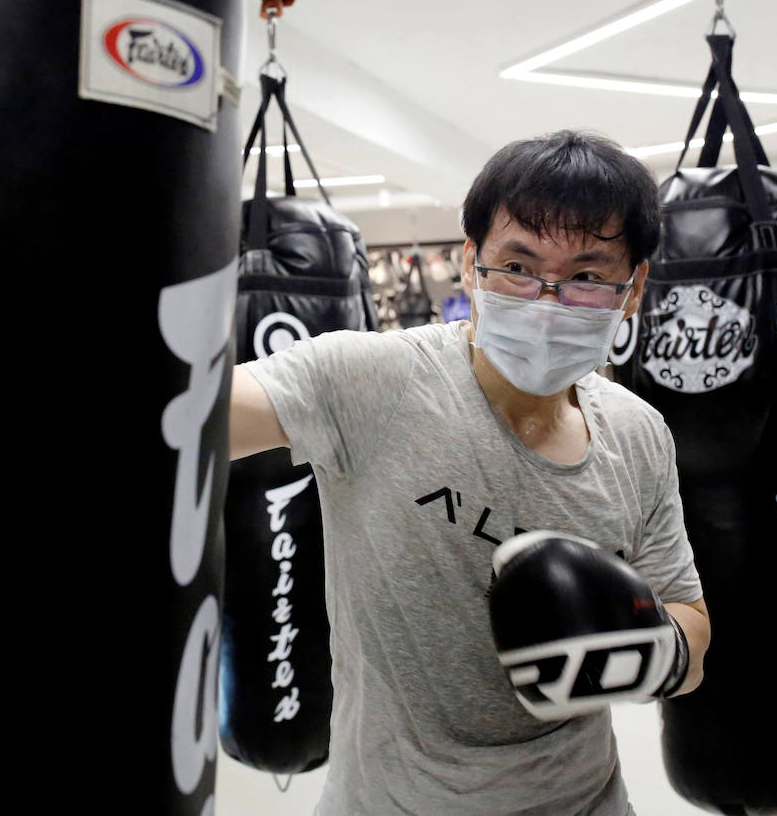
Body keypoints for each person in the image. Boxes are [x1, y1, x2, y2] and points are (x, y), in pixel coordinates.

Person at [229, 130, 710, 815]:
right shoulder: (373, 379)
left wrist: (649, 649)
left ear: (632, 292)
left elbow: (691, 622)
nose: (546, 299)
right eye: (517, 265)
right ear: (469, 266)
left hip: (586, 801)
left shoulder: (638, 433)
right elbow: (189, 415)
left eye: (585, 277)